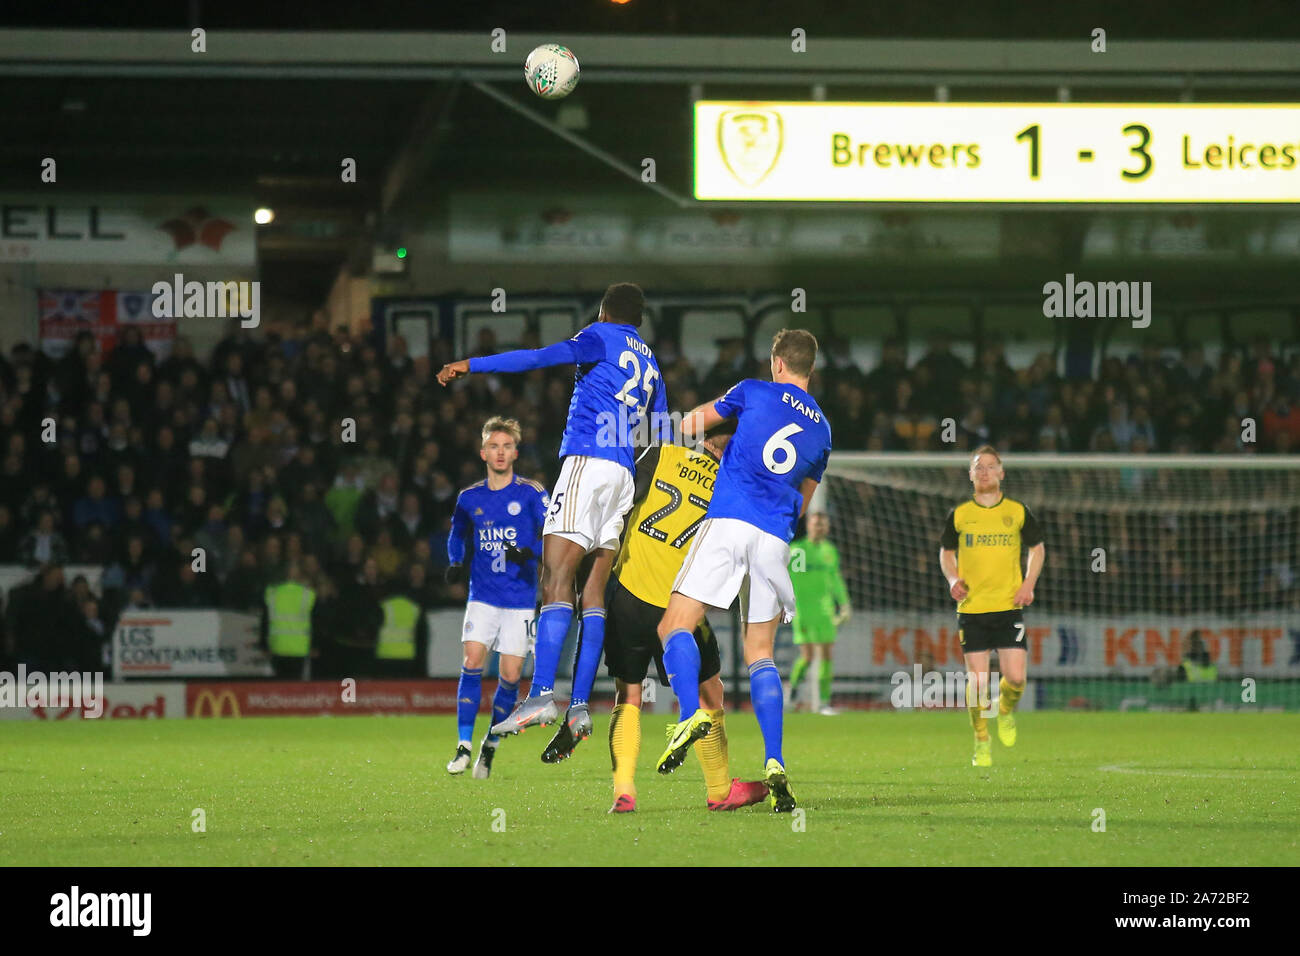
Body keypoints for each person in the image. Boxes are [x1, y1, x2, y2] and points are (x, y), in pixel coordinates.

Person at [437, 283, 668, 744]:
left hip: (587, 462)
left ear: (604, 310)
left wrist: (472, 365)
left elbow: (539, 357)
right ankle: (579, 706)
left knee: (555, 578)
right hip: (623, 475)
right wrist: (631, 489)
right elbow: (659, 436)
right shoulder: (653, 366)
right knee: (593, 593)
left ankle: (543, 694)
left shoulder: (600, 335)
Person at [541, 424, 767, 813]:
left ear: (702, 437)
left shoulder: (661, 454)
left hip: (627, 593)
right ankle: (718, 790)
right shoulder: (732, 488)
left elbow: (621, 504)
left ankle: (624, 792)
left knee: (628, 695)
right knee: (710, 692)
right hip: (680, 605)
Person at [654, 329, 832, 813]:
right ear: (809, 370)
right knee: (761, 652)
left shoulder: (753, 391)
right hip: (774, 539)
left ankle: (690, 714)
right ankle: (774, 760)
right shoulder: (823, 430)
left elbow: (693, 423)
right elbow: (802, 505)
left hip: (729, 522)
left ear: (777, 362)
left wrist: (704, 434)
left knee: (674, 625)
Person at [443, 417, 548, 778]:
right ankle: (463, 746)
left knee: (510, 675)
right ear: (483, 451)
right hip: (483, 597)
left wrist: (529, 551)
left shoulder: (532, 493)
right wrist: (456, 561)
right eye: (494, 446)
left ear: (515, 452)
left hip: (520, 599)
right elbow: (456, 534)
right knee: (472, 660)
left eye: (506, 446)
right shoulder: (470, 498)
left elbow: (550, 534)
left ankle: (490, 746)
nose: (500, 452)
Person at [938, 445, 1046, 768]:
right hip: (972, 609)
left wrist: (1029, 584)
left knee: (1016, 679)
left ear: (1002, 473)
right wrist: (952, 579)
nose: (984, 471)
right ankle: (981, 739)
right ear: (971, 475)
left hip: (1008, 607)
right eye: (978, 467)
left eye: (990, 466)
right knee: (979, 682)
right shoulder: (959, 515)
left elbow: (1037, 549)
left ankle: (1005, 711)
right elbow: (945, 553)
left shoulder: (1017, 511)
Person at [787, 511, 851, 715]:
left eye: (822, 525)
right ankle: (792, 693)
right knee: (807, 656)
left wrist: (844, 603)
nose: (819, 528)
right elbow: (786, 578)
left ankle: (823, 703)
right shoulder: (797, 550)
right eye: (816, 524)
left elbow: (835, 580)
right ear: (808, 527)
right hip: (803, 610)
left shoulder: (830, 551)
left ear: (828, 528)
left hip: (825, 610)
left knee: (826, 654)